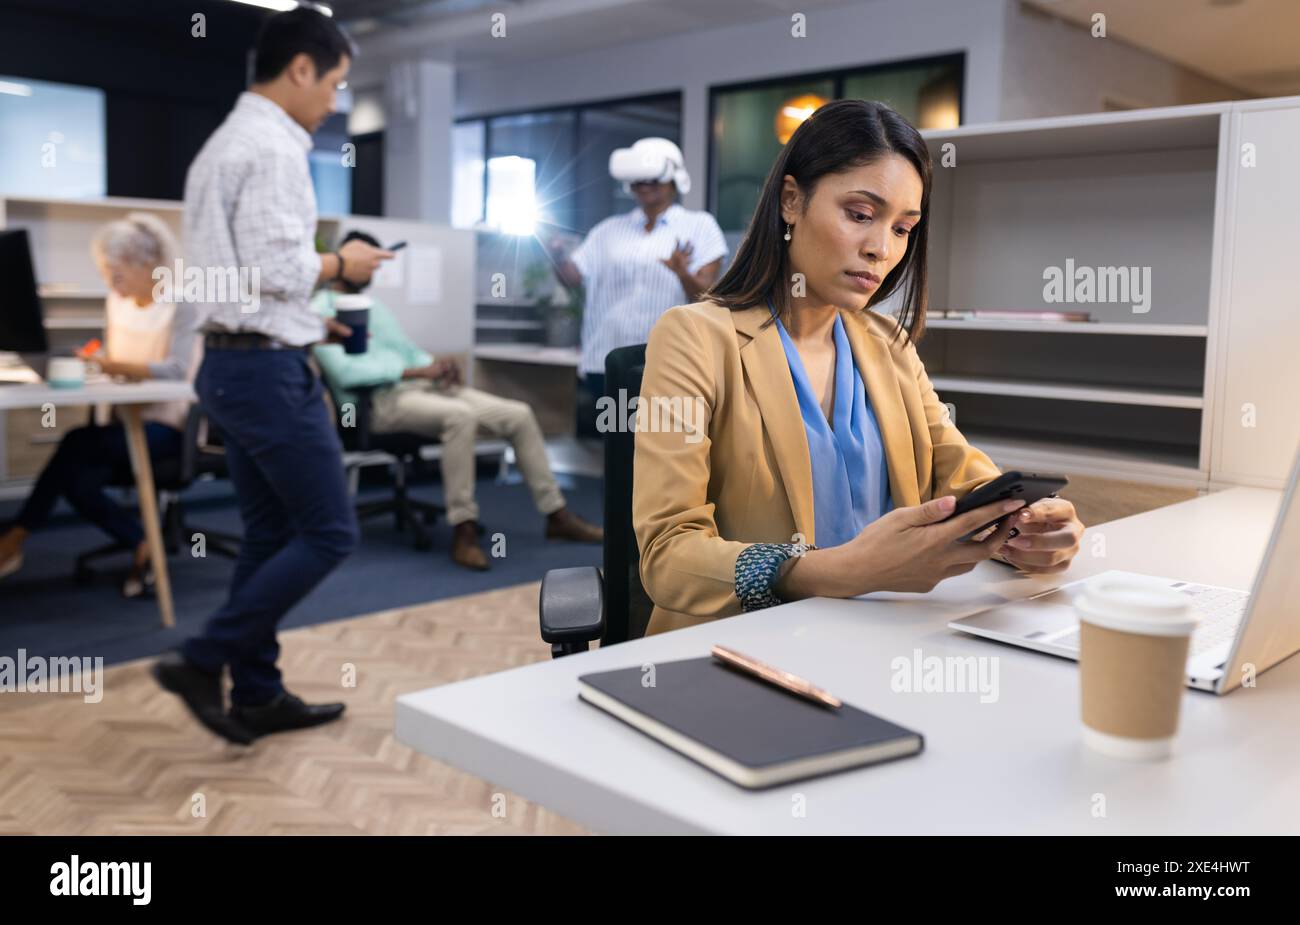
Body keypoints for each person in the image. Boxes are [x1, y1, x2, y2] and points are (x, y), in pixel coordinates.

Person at [633, 100, 1085, 635]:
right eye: (861, 215)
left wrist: (1023, 528)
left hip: (885, 634)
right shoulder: (694, 337)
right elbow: (666, 555)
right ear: (792, 201)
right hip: (746, 646)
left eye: (902, 228)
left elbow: (959, 470)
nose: (881, 249)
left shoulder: (887, 343)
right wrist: (836, 571)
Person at [151, 8, 392, 744]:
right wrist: (340, 265)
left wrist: (308, 320)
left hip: (234, 363)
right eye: (335, 84)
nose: (335, 102)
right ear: (300, 69)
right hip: (262, 374)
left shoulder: (223, 144)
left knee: (267, 533)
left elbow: (239, 282)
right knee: (329, 530)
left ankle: (256, 692)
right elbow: (275, 267)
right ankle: (204, 657)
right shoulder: (274, 147)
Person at [312, 231, 603, 570]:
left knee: (518, 414)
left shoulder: (375, 307)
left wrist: (435, 367)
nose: (373, 270)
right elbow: (347, 375)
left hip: (423, 391)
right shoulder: (320, 310)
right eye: (369, 262)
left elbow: (409, 354)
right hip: (375, 404)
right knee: (460, 417)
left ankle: (557, 515)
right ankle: (464, 530)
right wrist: (413, 373)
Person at [0, 213, 197, 598]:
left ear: (147, 266)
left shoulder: (180, 305)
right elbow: (115, 357)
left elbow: (175, 371)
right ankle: (142, 542)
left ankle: (14, 538)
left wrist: (112, 365)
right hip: (123, 423)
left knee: (75, 444)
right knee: (76, 478)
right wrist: (96, 362)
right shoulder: (117, 303)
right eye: (106, 275)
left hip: (169, 428)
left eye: (118, 276)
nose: (111, 285)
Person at [549, 138, 727, 431]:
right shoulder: (607, 231)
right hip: (605, 361)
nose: (645, 184)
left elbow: (705, 296)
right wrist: (555, 253)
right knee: (619, 451)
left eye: (653, 177)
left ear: (674, 179)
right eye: (638, 178)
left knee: (660, 448)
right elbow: (571, 278)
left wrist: (682, 273)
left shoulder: (700, 226)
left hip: (668, 363)